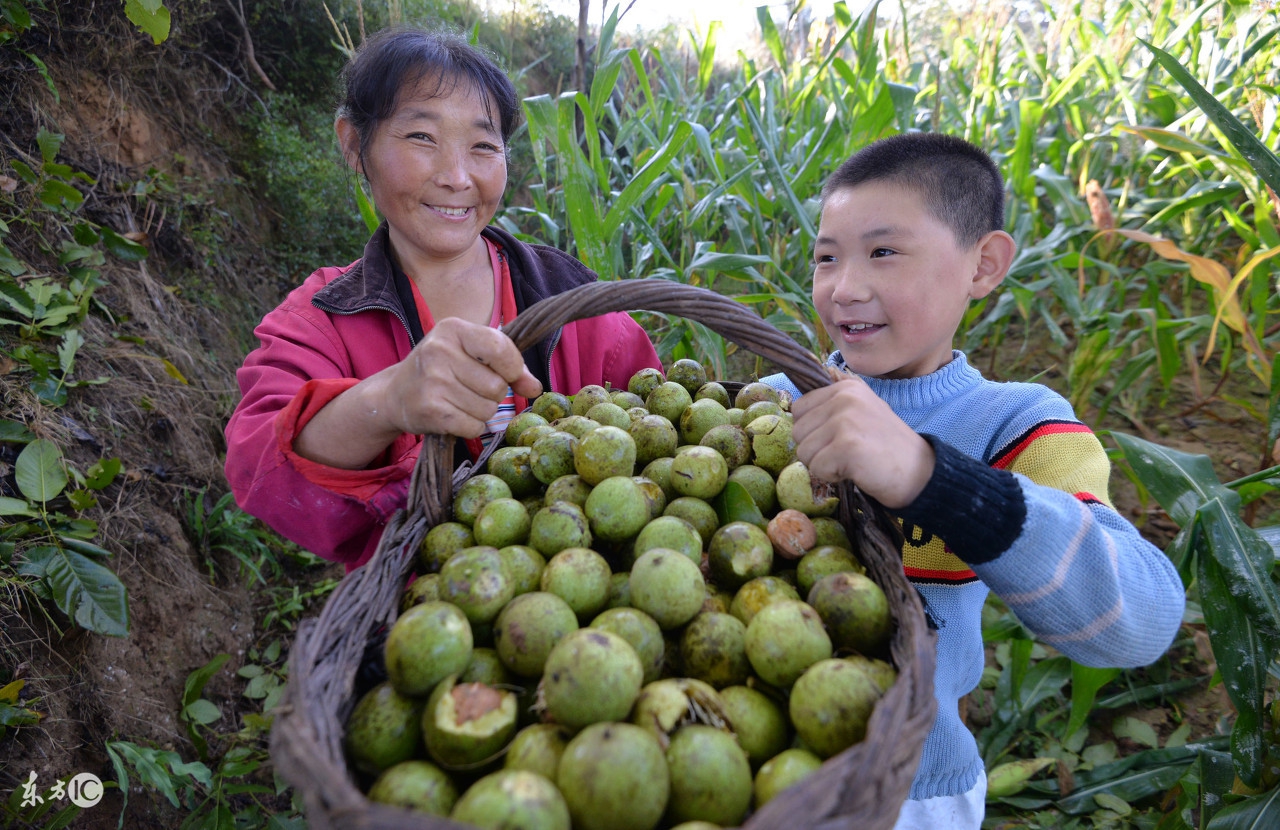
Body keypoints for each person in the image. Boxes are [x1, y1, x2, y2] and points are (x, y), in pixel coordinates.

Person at [760, 133, 1185, 829]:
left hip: (920, 795)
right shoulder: (774, 404)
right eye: (826, 257)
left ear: (983, 264)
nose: (844, 287)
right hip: (766, 786)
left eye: (884, 252)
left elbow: (1141, 622)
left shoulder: (1015, 423)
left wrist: (933, 478)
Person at [224, 28, 661, 571]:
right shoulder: (323, 318)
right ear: (354, 145)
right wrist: (387, 400)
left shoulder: (574, 301)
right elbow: (261, 467)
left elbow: (657, 432)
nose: (457, 178)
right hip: (423, 617)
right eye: (421, 138)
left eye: (483, 146)